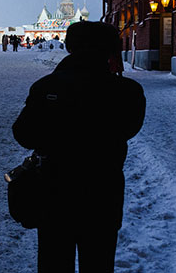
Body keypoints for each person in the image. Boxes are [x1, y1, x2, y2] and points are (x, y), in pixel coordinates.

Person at [12, 21, 145, 273]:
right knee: (98, 264)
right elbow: (129, 129)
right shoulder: (127, 92)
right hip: (104, 196)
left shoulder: (46, 87)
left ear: (70, 47)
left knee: (53, 262)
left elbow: (23, 134)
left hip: (54, 194)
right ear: (109, 50)